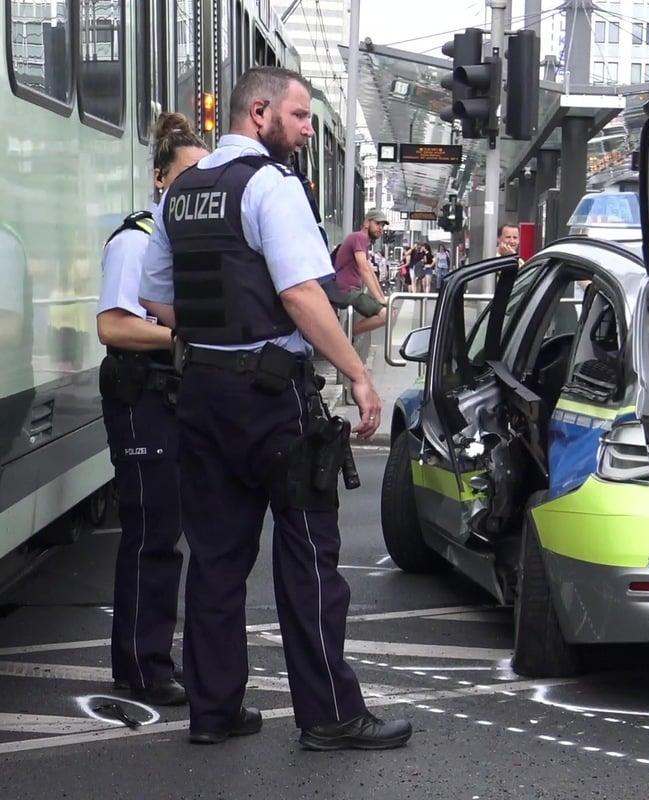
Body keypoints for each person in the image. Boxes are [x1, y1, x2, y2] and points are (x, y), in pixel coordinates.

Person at [139, 66, 412, 750]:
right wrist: (359, 376)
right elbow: (301, 293)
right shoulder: (271, 185)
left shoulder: (182, 194)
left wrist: (216, 333)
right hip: (271, 398)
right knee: (308, 556)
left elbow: (158, 302)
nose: (304, 130)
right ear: (258, 113)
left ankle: (214, 711)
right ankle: (329, 715)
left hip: (200, 393)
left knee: (216, 558)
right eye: (297, 116)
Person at [97, 112, 208, 707]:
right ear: (161, 179)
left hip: (172, 398)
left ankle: (145, 660)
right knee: (151, 533)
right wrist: (187, 338)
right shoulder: (137, 239)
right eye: (186, 175)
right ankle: (143, 667)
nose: (195, 186)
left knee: (167, 532)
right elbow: (112, 327)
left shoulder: (180, 241)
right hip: (141, 399)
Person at [332, 209, 388, 337]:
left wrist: (381, 296)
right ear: (367, 223)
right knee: (385, 315)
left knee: (386, 312)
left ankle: (345, 335)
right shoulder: (359, 237)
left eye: (382, 225)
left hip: (349, 291)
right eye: (377, 223)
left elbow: (371, 272)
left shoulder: (363, 243)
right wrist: (379, 298)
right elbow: (364, 269)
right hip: (347, 291)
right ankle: (345, 336)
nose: (380, 228)